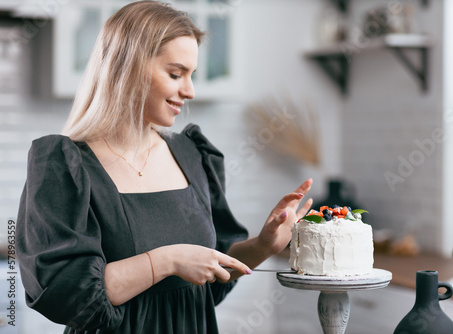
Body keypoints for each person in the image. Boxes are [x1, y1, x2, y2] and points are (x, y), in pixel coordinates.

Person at [16, 1, 313, 333]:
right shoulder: (65, 166)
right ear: (127, 67)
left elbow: (210, 276)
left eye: (191, 75)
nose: (189, 91)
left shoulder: (193, 155)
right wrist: (167, 261)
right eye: (175, 74)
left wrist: (263, 245)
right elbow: (66, 293)